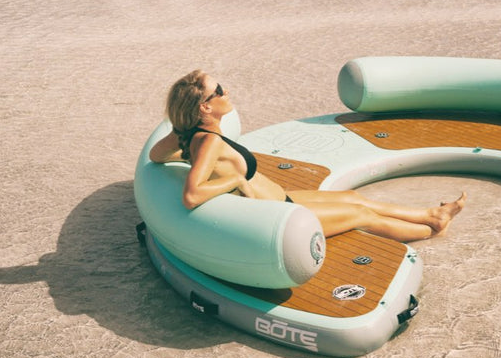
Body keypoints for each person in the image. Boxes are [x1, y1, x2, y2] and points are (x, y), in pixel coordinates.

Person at [149, 70, 466, 242]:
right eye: (219, 91)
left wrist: (181, 139)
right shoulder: (208, 142)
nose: (227, 92)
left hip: (281, 200)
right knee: (361, 217)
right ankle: (430, 231)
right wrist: (230, 179)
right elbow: (191, 195)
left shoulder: (189, 134)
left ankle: (429, 215)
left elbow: (155, 155)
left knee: (354, 198)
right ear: (205, 106)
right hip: (277, 217)